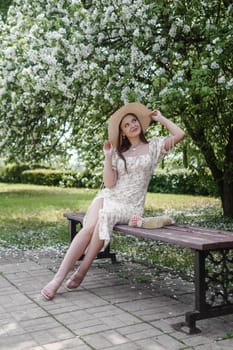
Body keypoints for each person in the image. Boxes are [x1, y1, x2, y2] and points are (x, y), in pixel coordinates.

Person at [41, 102, 185, 300]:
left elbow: (179, 134)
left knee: (105, 217)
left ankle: (82, 269)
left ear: (140, 124)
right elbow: (109, 185)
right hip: (109, 197)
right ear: (123, 133)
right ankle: (57, 278)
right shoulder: (119, 153)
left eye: (134, 121)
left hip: (130, 206)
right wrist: (108, 157)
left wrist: (160, 118)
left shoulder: (153, 146)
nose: (132, 125)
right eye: (126, 125)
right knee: (89, 228)